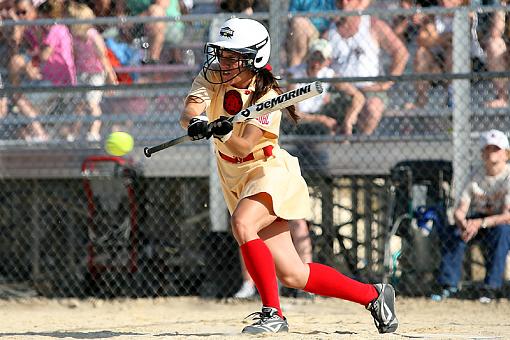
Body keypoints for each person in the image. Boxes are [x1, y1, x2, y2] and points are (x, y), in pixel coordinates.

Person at [179, 17, 398, 334]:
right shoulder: (211, 76)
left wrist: (224, 134)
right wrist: (198, 121)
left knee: (243, 223)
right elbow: (188, 112)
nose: (223, 62)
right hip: (234, 176)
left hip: (268, 171)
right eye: (222, 54)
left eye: (232, 56)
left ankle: (273, 314)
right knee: (295, 275)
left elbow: (244, 145)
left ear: (254, 58)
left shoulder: (266, 95)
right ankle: (374, 295)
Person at [432, 129, 510, 303]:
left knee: (502, 232)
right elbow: (461, 209)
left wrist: (478, 223)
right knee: (454, 232)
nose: (491, 153)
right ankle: (448, 284)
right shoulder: (475, 175)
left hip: (501, 223)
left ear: (506, 153)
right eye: (487, 149)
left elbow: (507, 216)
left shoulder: (508, 176)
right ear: (482, 153)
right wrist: (462, 221)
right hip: (479, 220)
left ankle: (491, 288)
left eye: (495, 149)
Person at [327, 0, 409, 135]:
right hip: (340, 90)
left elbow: (401, 53)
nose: (344, 3)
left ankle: (361, 143)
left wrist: (387, 83)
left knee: (373, 108)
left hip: (369, 89)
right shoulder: (330, 30)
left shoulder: (373, 25)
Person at [8, 0, 76, 141]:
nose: (21, 16)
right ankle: (37, 133)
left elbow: (44, 55)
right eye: (18, 13)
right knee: (20, 125)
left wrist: (30, 65)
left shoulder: (56, 28)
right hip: (45, 79)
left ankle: (41, 134)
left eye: (23, 12)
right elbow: (18, 51)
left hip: (58, 83)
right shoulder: (38, 29)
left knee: (18, 99)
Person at [404, 0, 485, 109]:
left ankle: (453, 97)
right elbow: (422, 40)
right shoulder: (435, 15)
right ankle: (421, 99)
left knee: (452, 51)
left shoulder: (468, 13)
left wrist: (436, 38)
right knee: (421, 53)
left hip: (469, 61)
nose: (443, 1)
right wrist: (444, 38)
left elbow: (460, 36)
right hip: (439, 61)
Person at [287, 38, 365, 136]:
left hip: (317, 113)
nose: (316, 63)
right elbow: (293, 115)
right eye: (314, 58)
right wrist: (322, 119)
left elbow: (358, 96)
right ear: (308, 57)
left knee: (345, 101)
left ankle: (345, 132)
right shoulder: (293, 74)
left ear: (328, 61)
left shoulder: (328, 74)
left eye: (320, 60)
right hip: (299, 121)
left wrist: (348, 121)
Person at [66, 2, 118, 142]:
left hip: (95, 73)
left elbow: (103, 58)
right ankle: (74, 132)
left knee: (92, 103)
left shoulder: (93, 35)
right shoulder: (74, 37)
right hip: (82, 73)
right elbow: (75, 57)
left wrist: (110, 77)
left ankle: (94, 132)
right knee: (79, 105)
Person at [234, 219, 314, 299]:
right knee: (245, 229)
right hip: (266, 215)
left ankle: (307, 283)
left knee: (300, 225)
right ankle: (249, 285)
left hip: (286, 214)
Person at [287, 0, 337, 67]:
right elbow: (292, 16)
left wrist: (330, 30)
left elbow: (339, 16)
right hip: (309, 31)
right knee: (299, 23)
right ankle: (295, 71)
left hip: (330, 31)